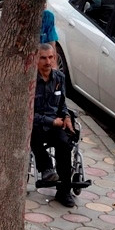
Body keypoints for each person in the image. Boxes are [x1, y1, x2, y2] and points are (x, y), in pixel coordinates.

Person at [31, 43, 76, 208]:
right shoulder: (30, 80)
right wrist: (50, 121)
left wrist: (65, 116)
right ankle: (47, 169)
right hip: (35, 124)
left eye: (51, 57)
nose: (47, 62)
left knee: (65, 144)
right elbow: (28, 113)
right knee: (33, 135)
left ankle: (64, 191)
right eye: (43, 58)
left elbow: (62, 103)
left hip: (55, 125)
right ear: (36, 59)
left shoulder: (59, 78)